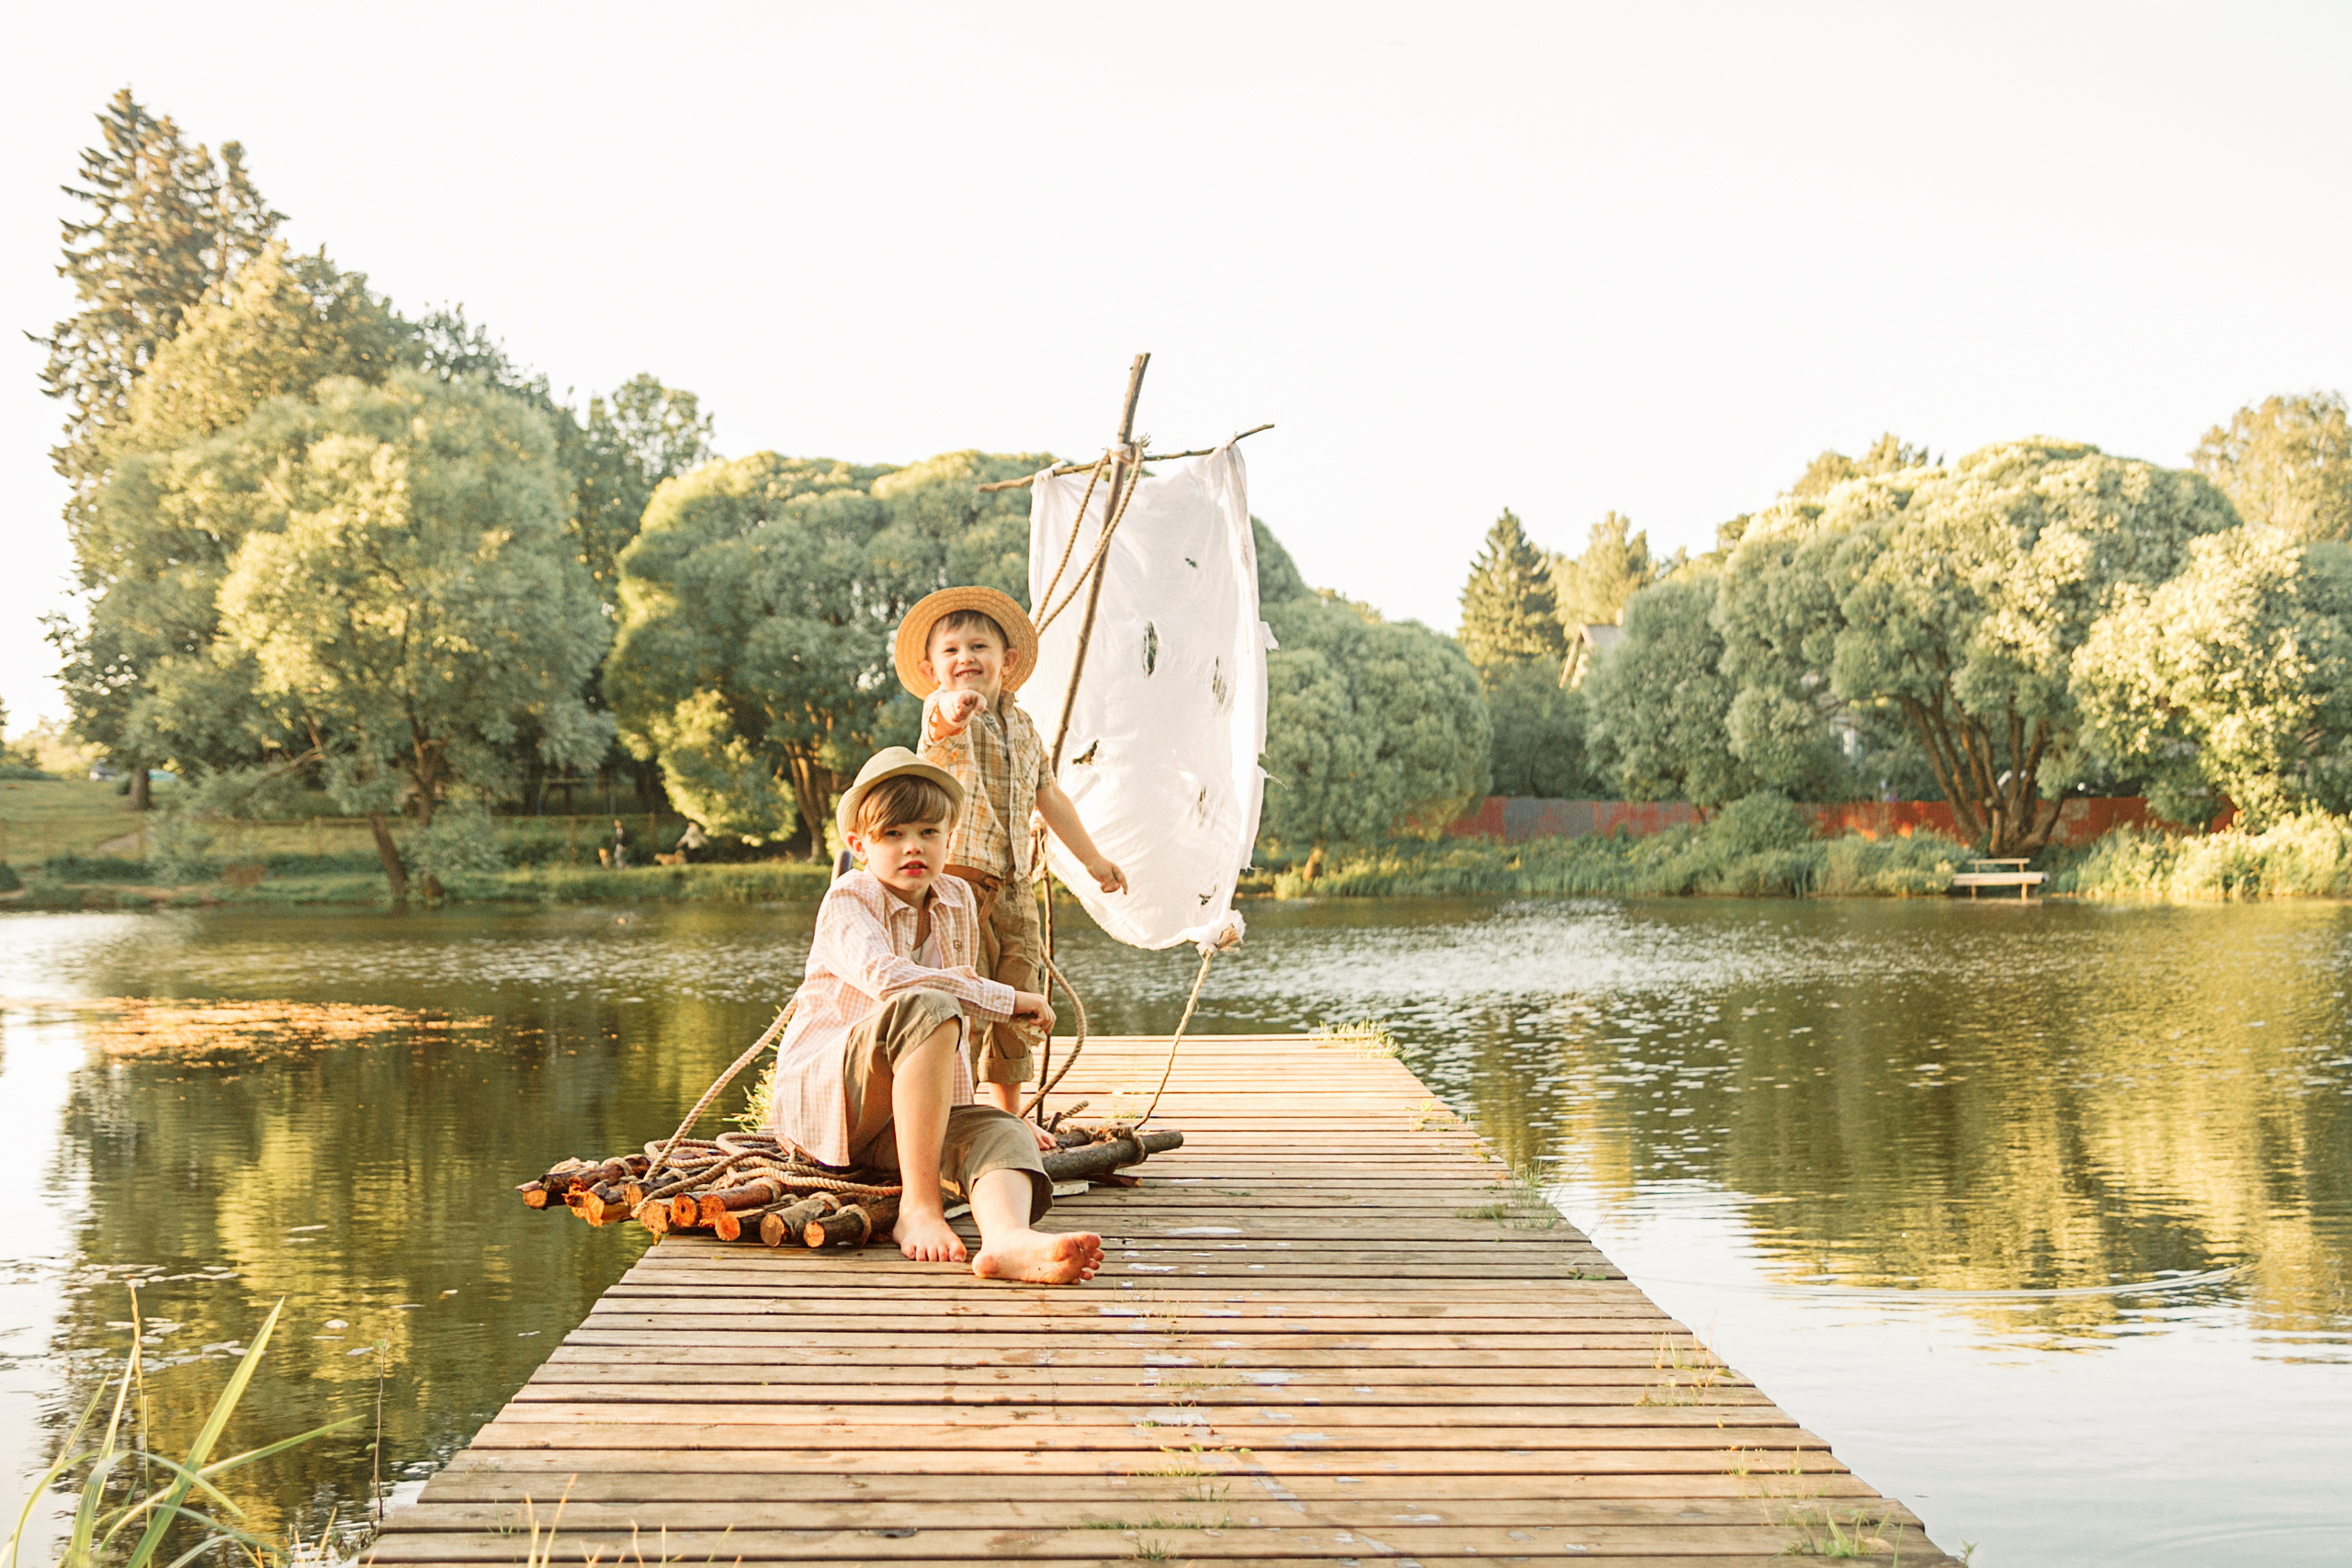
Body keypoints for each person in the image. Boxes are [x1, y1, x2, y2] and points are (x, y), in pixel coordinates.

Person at [763, 747, 1103, 1283]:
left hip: (904, 1124)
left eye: (927, 832)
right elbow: (889, 980)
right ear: (859, 845)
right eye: (892, 835)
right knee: (927, 1003)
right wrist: (1006, 998)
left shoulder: (955, 899)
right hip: (835, 1106)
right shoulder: (848, 898)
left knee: (1000, 1131)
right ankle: (918, 1208)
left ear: (950, 838)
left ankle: (1007, 1240)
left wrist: (967, 1112)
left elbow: (954, 1031)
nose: (912, 847)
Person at [894, 587, 1126, 1116]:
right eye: (950, 651)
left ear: (1008, 661)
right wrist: (955, 708)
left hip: (1015, 885)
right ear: (932, 670)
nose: (966, 659)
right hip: (958, 883)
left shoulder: (1023, 728)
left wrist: (1093, 860)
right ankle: (952, 1115)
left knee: (1019, 994)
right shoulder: (945, 709)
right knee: (963, 996)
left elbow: (1049, 796)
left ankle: (1007, 1116)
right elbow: (939, 726)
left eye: (979, 647)